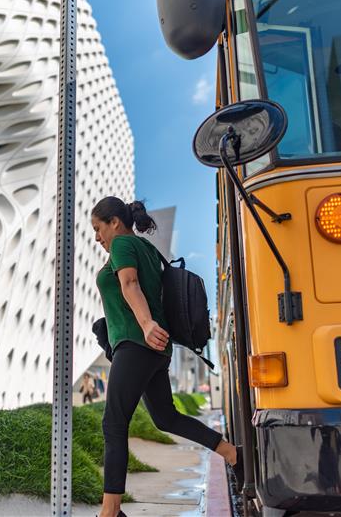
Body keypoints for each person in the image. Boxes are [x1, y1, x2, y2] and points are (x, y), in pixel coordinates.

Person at [91, 197, 241, 517]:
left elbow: (130, 285)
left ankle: (110, 511)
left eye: (98, 228)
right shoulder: (146, 248)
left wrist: (145, 325)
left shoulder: (122, 245)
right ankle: (231, 453)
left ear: (114, 222)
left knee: (114, 423)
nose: (97, 237)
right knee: (165, 418)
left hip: (138, 344)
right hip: (155, 348)